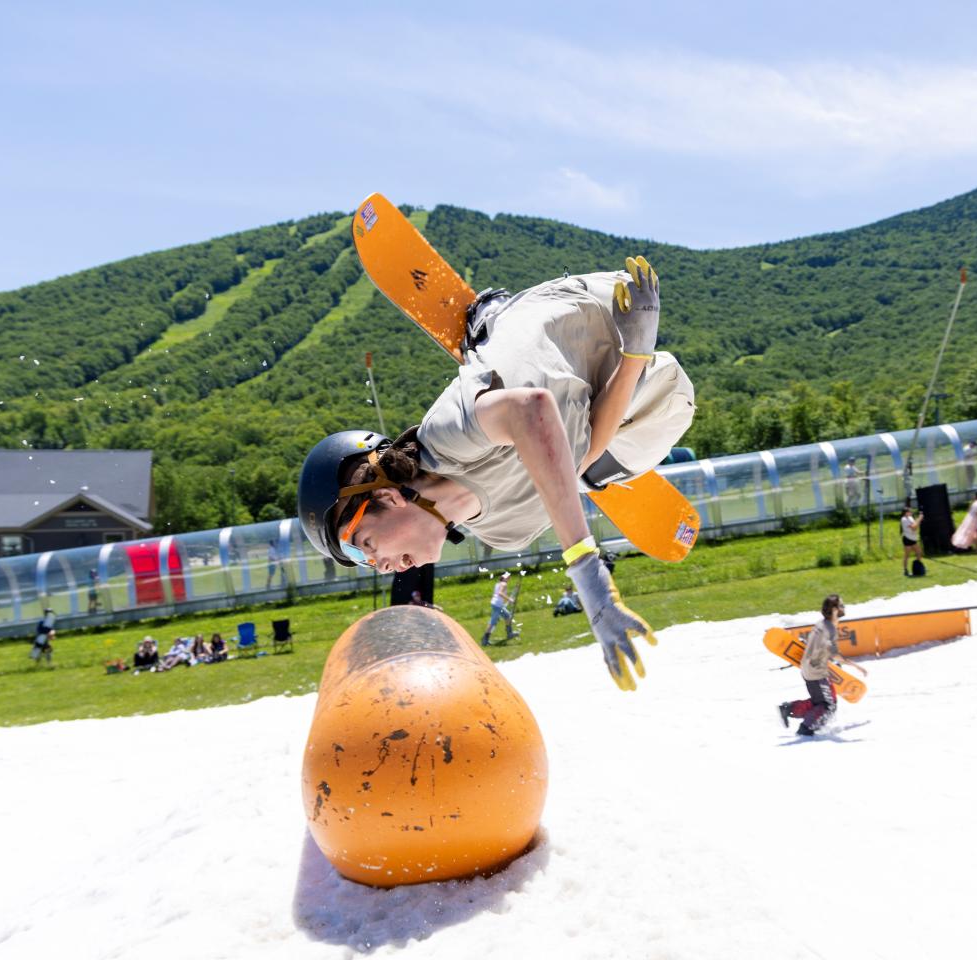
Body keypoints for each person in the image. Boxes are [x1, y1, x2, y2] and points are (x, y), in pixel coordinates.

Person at [295, 255, 693, 691]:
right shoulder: (506, 533)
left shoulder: (443, 441)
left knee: (538, 414)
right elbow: (582, 447)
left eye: (363, 547)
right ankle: (588, 450)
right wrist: (635, 355)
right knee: (669, 412)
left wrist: (586, 571)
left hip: (579, 314)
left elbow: (532, 409)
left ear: (387, 498)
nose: (378, 566)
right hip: (611, 376)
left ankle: (489, 327)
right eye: (363, 562)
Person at [778, 594, 867, 736]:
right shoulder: (829, 627)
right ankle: (806, 728)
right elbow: (833, 652)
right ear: (834, 610)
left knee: (820, 702)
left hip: (810, 669)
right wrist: (856, 666)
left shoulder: (822, 623)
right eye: (841, 605)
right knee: (828, 706)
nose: (844, 607)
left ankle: (790, 708)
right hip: (816, 672)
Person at [481, 572, 519, 645]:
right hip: (497, 605)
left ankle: (509, 633)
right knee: (493, 622)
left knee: (507, 616)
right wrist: (509, 600)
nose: (509, 578)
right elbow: (500, 593)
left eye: (509, 577)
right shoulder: (504, 584)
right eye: (508, 577)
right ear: (504, 577)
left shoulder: (498, 583)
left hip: (496, 604)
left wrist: (515, 590)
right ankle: (485, 640)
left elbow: (499, 594)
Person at [900, 508, 924, 577]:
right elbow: (914, 527)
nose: (911, 512)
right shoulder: (904, 519)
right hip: (907, 539)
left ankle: (917, 567)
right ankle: (905, 570)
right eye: (909, 511)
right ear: (905, 513)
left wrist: (919, 519)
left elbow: (914, 524)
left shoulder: (910, 517)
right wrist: (919, 519)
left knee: (919, 552)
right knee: (907, 555)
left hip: (913, 539)